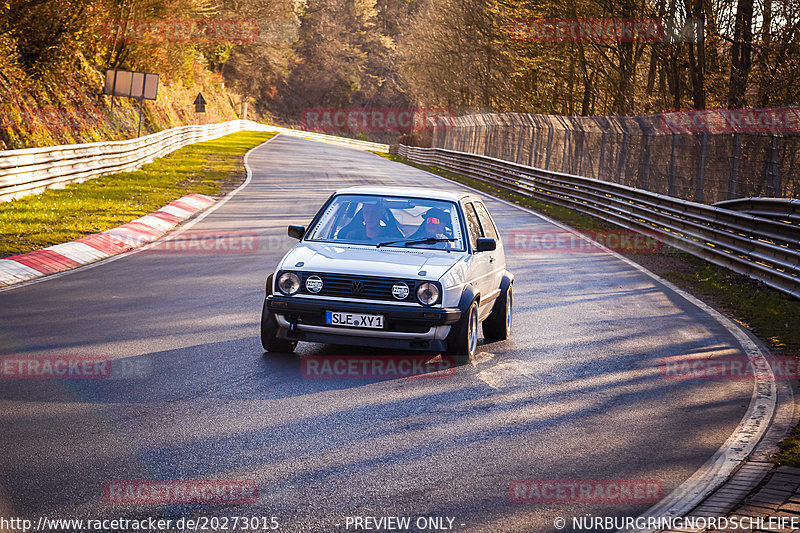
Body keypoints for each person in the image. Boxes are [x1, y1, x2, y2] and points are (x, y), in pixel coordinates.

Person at [338, 200, 403, 242]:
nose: (369, 217)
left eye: (374, 213)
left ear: (380, 215)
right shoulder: (353, 236)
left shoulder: (392, 237)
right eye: (366, 213)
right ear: (362, 215)